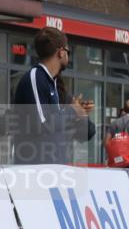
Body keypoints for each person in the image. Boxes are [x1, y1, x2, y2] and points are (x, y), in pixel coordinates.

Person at [9, 27, 95, 165]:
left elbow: (59, 125)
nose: (68, 56)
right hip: (36, 168)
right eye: (68, 52)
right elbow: (41, 124)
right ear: (60, 52)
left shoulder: (50, 81)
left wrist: (78, 112)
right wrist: (72, 110)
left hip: (52, 167)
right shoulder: (36, 77)